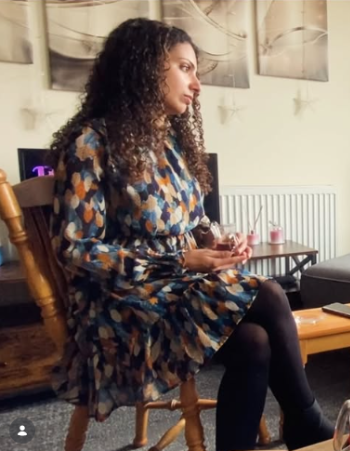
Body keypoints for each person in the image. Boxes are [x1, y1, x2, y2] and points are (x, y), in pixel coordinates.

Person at [48, 18, 332, 451]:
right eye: (185, 68)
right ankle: (306, 422)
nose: (197, 84)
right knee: (271, 293)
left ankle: (298, 424)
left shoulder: (173, 147)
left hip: (177, 292)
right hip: (123, 308)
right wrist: (179, 261)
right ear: (144, 69)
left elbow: (193, 222)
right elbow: (76, 250)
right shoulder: (92, 144)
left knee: (255, 340)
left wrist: (214, 242)